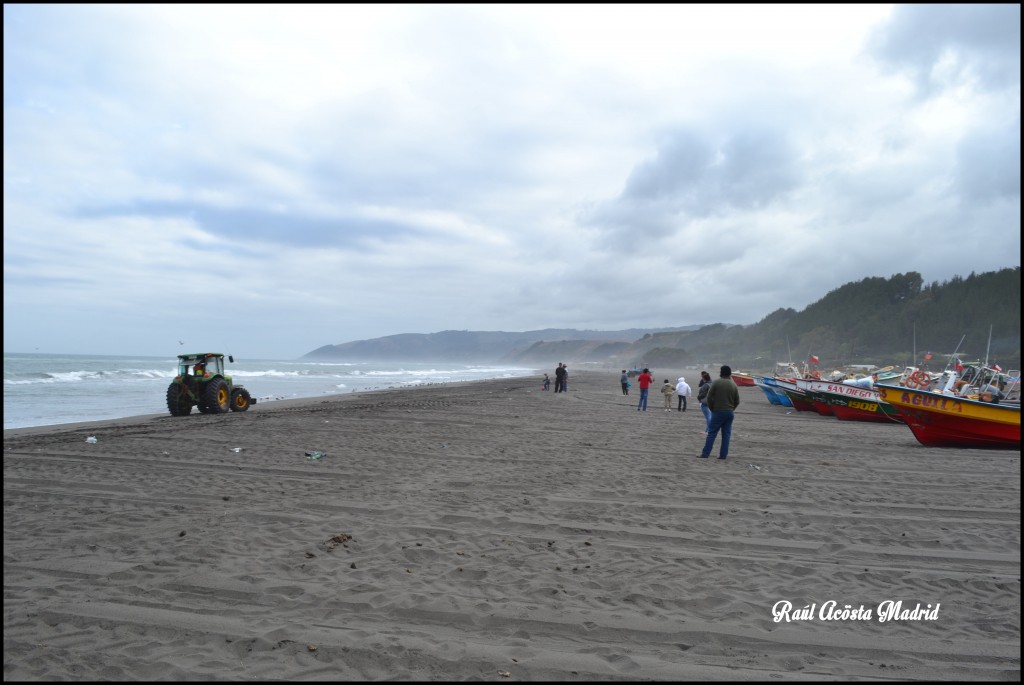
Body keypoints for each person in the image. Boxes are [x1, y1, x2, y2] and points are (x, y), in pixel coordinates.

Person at [699, 365, 740, 459]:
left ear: (721, 373)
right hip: (729, 412)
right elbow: (737, 401)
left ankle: (705, 454)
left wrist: (712, 408)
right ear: (730, 374)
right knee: (726, 435)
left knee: (712, 433)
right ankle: (723, 455)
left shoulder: (716, 383)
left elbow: (709, 397)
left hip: (718, 411)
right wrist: (732, 409)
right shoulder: (733, 385)